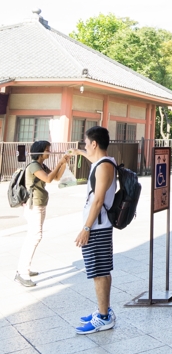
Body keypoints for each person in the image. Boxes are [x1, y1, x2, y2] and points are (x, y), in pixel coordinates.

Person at [72, 126, 117, 333]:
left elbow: (98, 200)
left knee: (98, 273)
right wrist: (78, 153)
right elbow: (94, 162)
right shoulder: (103, 163)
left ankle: (104, 317)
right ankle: (103, 311)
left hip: (97, 227)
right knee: (102, 270)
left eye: (85, 143)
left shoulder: (104, 166)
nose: (84, 146)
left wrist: (86, 228)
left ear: (94, 144)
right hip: (99, 225)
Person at [14, 141, 70, 288]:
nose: (49, 152)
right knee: (35, 236)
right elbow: (48, 179)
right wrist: (59, 162)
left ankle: (23, 268)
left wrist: (63, 163)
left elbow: (56, 177)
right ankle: (22, 273)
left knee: (32, 236)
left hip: (40, 204)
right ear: (39, 151)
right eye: (47, 150)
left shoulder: (40, 166)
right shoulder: (33, 166)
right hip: (34, 206)